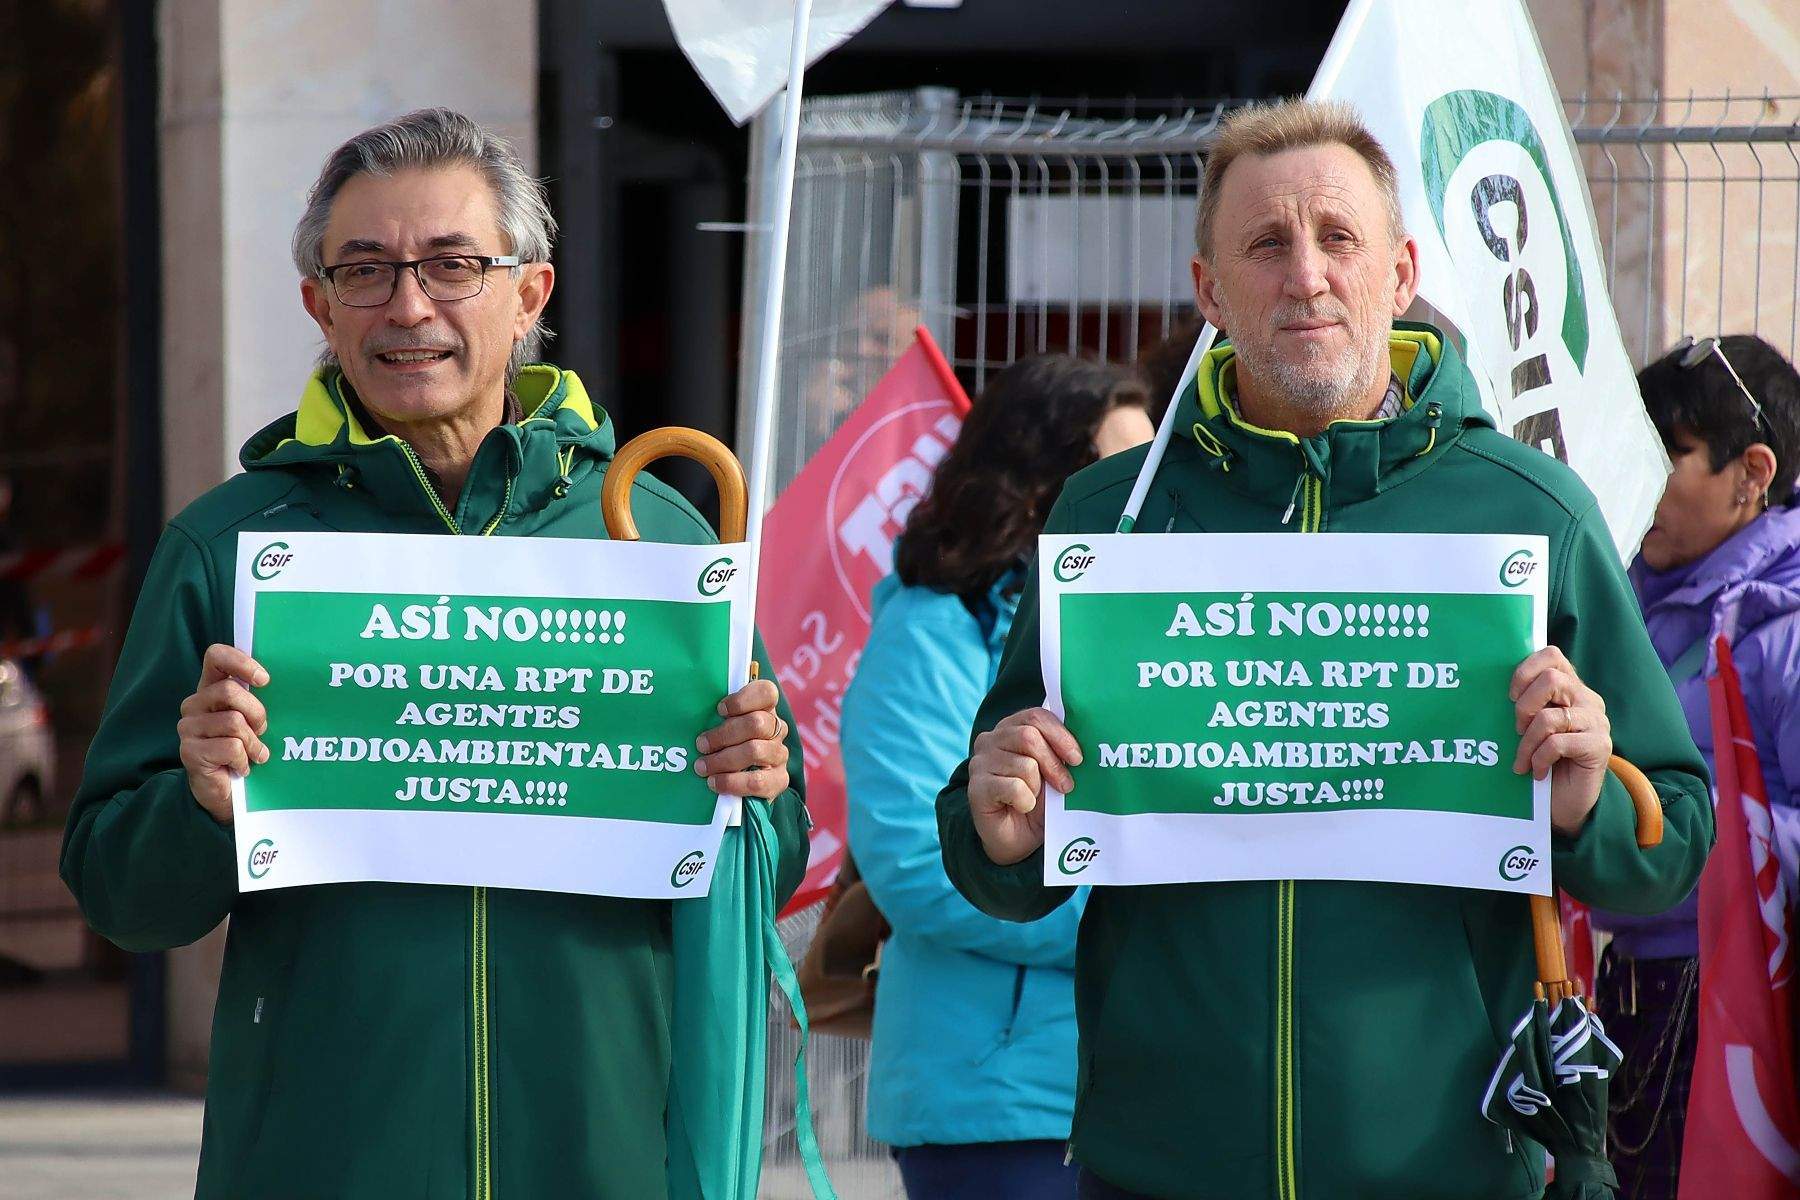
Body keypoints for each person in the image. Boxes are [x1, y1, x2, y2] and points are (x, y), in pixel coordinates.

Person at [935, 98, 1714, 1200]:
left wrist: (1589, 794)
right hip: (1162, 1166)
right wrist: (1001, 823)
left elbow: (1673, 832)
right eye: (1266, 243)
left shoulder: (1528, 509)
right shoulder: (1110, 515)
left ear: (1398, 274)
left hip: (1446, 1160)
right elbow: (999, 844)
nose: (1305, 275)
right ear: (1210, 291)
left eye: (1337, 238)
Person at [60, 109, 809, 1199]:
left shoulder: (653, 538)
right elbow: (122, 898)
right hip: (329, 1158)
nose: (409, 306)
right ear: (320, 306)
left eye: (453, 265)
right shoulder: (230, 548)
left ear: (530, 296)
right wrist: (198, 798)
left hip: (602, 1149)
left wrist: (758, 788)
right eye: (364, 271)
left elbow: (764, 863)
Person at [843, 355, 1152, 1200]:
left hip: (1143, 1093)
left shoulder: (1149, 629)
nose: (1147, 497)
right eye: (1121, 469)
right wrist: (1137, 928)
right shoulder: (931, 626)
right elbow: (911, 860)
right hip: (997, 1103)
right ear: (1037, 478)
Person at [1592, 333, 1800, 1198]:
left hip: (1735, 1008)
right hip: (1627, 993)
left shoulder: (1783, 631)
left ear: (1753, 472)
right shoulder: (1625, 597)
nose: (1641, 477)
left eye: (1668, 455)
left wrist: (1690, 834)